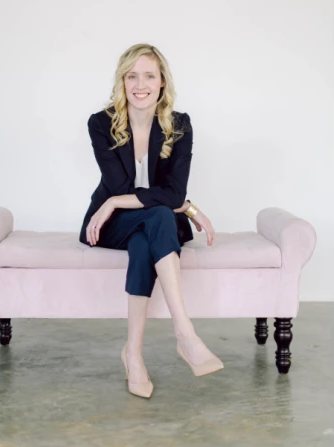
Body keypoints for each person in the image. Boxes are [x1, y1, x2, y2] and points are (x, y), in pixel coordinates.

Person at [79, 43, 223, 399]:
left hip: (150, 223)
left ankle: (133, 354)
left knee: (147, 238)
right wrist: (118, 200)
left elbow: (174, 193)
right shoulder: (101, 124)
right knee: (157, 213)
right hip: (111, 224)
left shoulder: (179, 125)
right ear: (122, 82)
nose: (140, 85)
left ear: (162, 82)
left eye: (149, 76)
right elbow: (123, 188)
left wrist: (179, 204)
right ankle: (185, 334)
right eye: (132, 76)